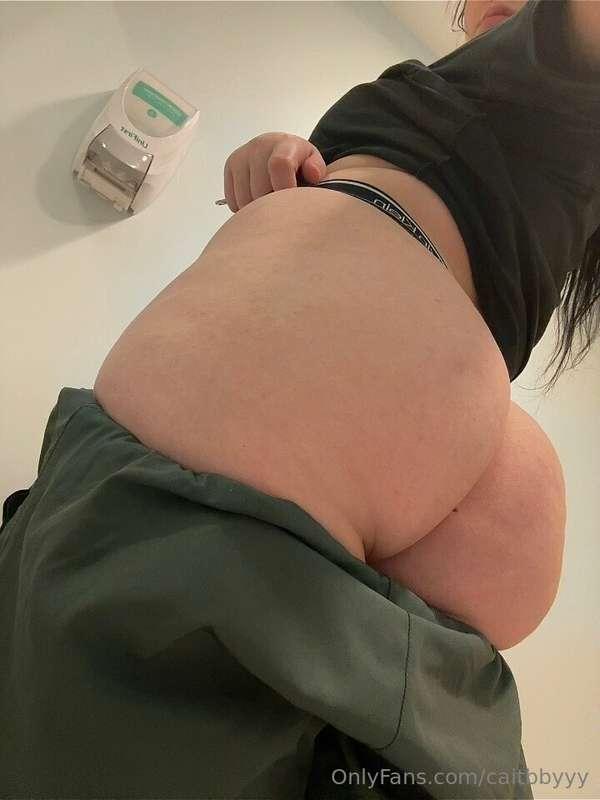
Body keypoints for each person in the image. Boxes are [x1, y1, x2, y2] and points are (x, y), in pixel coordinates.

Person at [2, 1, 598, 797]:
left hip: (372, 641)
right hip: (256, 569)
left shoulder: (569, 87)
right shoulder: (463, 104)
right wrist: (282, 164)